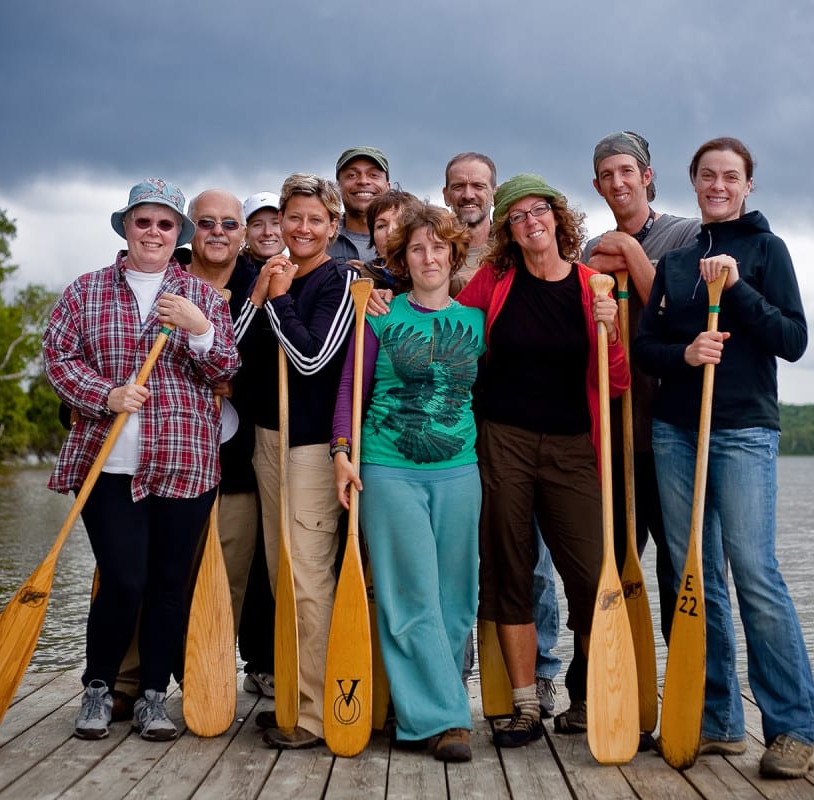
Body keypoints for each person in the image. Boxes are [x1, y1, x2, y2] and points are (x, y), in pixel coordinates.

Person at [633, 137, 814, 779]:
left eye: (730, 177)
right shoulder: (680, 261)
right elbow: (644, 349)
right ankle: (717, 720)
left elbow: (792, 340)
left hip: (741, 429)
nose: (718, 185)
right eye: (708, 175)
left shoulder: (768, 250)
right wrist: (684, 356)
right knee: (696, 576)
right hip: (676, 432)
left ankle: (792, 727)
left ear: (747, 186)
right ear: (694, 183)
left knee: (754, 572)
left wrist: (737, 291)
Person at [43, 178, 239, 742]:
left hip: (186, 465)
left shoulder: (201, 297)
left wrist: (200, 330)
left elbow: (226, 370)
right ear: (126, 227)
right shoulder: (86, 291)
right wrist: (105, 396)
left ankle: (154, 696)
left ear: (179, 233)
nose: (153, 232)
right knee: (124, 579)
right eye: (143, 221)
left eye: (165, 223)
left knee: (168, 586)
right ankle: (99, 689)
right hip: (108, 466)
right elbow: (58, 358)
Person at [457, 174, 629, 748]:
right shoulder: (494, 281)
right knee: (510, 566)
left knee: (588, 574)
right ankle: (524, 704)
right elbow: (452, 336)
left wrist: (610, 334)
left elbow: (618, 382)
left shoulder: (591, 286)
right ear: (507, 228)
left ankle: (586, 694)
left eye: (541, 210)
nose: (531, 221)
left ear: (558, 218)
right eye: (518, 215)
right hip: (502, 440)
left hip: (573, 446)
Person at [555, 131, 702, 734]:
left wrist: (629, 253)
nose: (617, 183)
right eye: (606, 176)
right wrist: (599, 256)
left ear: (647, 175)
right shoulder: (589, 247)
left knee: (674, 569)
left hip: (668, 433)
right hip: (611, 434)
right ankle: (596, 691)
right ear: (596, 186)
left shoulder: (687, 235)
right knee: (605, 568)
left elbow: (675, 319)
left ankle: (691, 700)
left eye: (627, 172)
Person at [332, 201, 486, 762]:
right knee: (409, 594)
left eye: (438, 248)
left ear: (453, 255)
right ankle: (445, 719)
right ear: (403, 257)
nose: (428, 258)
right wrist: (341, 453)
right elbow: (351, 388)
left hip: (459, 470)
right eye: (417, 249)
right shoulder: (376, 314)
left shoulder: (476, 321)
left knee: (457, 599)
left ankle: (421, 712)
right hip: (388, 466)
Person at [232, 173, 359, 750]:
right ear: (280, 222)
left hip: (311, 449)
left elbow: (311, 359)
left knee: (308, 579)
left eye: (316, 220)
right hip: (267, 441)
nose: (302, 228)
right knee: (282, 576)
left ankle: (317, 714)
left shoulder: (341, 281)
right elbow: (229, 357)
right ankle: (293, 696)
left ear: (333, 228)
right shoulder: (271, 275)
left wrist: (280, 300)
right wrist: (262, 295)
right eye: (294, 218)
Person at [183, 189, 274, 700]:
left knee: (229, 584)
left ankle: (211, 683)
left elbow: (272, 369)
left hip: (235, 465)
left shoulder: (254, 285)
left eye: (229, 225)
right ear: (191, 229)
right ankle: (137, 680)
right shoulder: (168, 282)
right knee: (160, 576)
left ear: (242, 236)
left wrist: (237, 382)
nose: (218, 232)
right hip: (169, 462)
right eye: (207, 223)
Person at [328, 146, 391, 263]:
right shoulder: (321, 236)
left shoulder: (407, 237)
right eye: (352, 175)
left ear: (387, 187)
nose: (363, 181)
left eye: (373, 175)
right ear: (338, 187)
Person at [442, 152, 497, 284]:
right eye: (458, 186)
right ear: (446, 196)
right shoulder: (432, 252)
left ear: (495, 194)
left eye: (478, 186)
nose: (468, 195)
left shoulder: (513, 248)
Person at [242, 191, 285, 269]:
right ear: (245, 233)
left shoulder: (299, 272)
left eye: (275, 223)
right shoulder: (230, 273)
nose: (267, 232)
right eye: (257, 224)